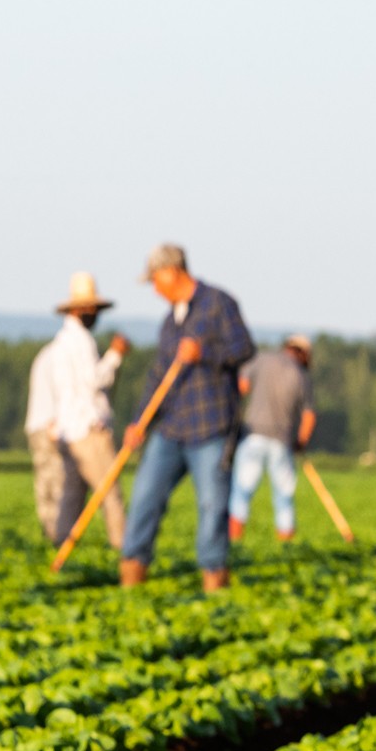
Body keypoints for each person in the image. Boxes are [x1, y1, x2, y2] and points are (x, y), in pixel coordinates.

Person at [121, 244, 254, 590]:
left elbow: (244, 349)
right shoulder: (170, 322)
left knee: (212, 507)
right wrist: (139, 423)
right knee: (144, 499)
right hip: (170, 428)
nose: (154, 289)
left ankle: (214, 581)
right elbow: (157, 377)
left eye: (155, 281)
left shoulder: (219, 303)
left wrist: (204, 353)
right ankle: (131, 579)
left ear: (171, 272)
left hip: (210, 426)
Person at [25, 271, 128, 546]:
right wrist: (115, 355)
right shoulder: (81, 341)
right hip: (88, 431)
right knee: (111, 496)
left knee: (71, 498)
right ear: (81, 309)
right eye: (93, 309)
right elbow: (95, 380)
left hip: (69, 432)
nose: (95, 315)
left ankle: (62, 553)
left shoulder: (59, 345)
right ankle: (126, 553)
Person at [229, 334, 316, 542]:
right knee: (284, 495)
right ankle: (285, 543)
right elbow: (309, 416)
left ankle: (233, 541)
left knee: (241, 491)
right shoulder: (301, 375)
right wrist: (300, 442)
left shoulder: (262, 360)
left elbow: (241, 387)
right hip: (282, 441)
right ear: (304, 354)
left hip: (252, 435)